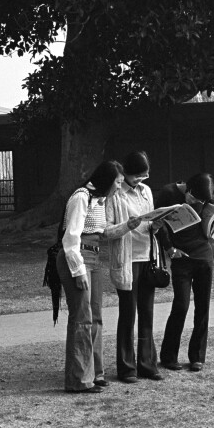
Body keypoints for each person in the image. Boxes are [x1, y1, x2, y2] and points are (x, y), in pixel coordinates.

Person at [57, 160, 140, 393]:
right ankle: (79, 380)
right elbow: (70, 239)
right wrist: (78, 270)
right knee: (82, 318)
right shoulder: (81, 197)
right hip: (78, 258)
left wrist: (128, 226)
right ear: (107, 179)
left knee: (96, 317)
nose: (119, 187)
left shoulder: (101, 200)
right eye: (118, 182)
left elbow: (102, 234)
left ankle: (95, 373)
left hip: (94, 257)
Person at [106, 151, 162, 383]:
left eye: (144, 176)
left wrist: (156, 225)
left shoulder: (146, 191)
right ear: (126, 173)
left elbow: (150, 224)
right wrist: (127, 226)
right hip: (127, 259)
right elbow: (107, 229)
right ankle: (127, 367)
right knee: (128, 314)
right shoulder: (116, 194)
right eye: (136, 176)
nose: (140, 180)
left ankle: (147, 364)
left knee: (147, 313)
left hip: (146, 256)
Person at [155, 173, 214, 373]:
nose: (196, 203)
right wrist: (169, 248)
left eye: (201, 201)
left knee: (203, 307)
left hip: (203, 257)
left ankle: (197, 356)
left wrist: (213, 225)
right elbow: (158, 224)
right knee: (181, 305)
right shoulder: (169, 193)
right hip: (181, 258)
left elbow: (213, 227)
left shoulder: (209, 200)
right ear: (187, 189)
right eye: (193, 198)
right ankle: (169, 356)